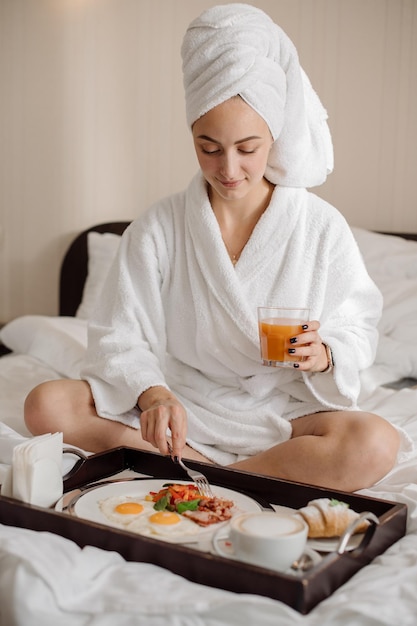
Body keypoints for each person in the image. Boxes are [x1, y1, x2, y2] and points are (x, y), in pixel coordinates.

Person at [24, 3, 404, 492]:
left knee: (374, 441)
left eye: (248, 148)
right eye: (209, 147)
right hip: (182, 402)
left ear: (275, 136)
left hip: (284, 408)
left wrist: (326, 354)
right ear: (192, 135)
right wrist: (154, 395)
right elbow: (119, 335)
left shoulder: (320, 227)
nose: (229, 169)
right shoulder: (160, 226)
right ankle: (240, 478)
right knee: (45, 404)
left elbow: (357, 325)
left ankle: (205, 477)